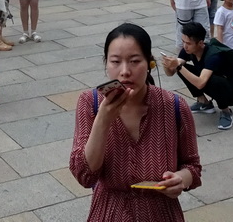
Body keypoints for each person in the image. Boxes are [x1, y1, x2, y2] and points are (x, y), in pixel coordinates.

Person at [70, 23, 202, 221]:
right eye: (115, 62)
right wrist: (103, 120)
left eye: (134, 61)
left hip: (161, 214)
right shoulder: (90, 103)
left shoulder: (174, 105)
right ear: (106, 63)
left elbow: (192, 166)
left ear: (149, 63)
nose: (124, 71)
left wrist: (181, 179)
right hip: (108, 213)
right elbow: (85, 175)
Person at [162, 21, 233, 130]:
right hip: (211, 84)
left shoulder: (213, 56)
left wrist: (178, 66)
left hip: (231, 92)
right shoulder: (187, 50)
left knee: (213, 80)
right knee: (183, 69)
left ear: (200, 43)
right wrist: (167, 65)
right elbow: (171, 73)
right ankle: (204, 102)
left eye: (189, 43)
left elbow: (200, 83)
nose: (185, 46)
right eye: (183, 42)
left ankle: (226, 112)